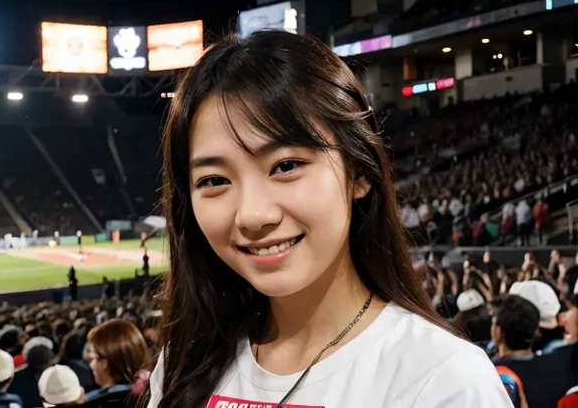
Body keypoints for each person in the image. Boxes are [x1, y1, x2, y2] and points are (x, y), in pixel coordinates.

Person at [148, 30, 511, 408]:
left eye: (286, 165)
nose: (253, 215)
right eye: (214, 180)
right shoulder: (183, 363)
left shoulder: (443, 380)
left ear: (359, 173)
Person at [85, 320, 148, 401]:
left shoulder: (99, 402)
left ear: (105, 363)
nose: (91, 365)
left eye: (93, 358)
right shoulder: (153, 390)